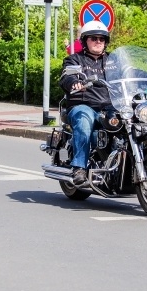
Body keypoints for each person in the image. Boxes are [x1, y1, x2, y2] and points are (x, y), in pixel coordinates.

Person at [58, 21, 113, 185]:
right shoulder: (75, 60)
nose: (98, 42)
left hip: (110, 107)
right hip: (83, 105)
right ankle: (79, 167)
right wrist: (73, 82)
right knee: (84, 121)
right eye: (93, 38)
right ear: (85, 41)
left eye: (101, 39)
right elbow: (66, 76)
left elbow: (132, 73)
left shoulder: (113, 61)